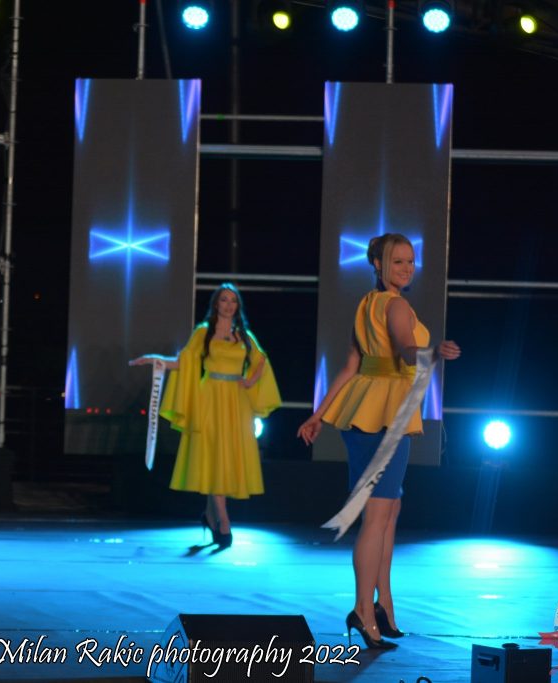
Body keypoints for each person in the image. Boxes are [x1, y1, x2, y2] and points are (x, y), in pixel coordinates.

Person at [297, 234, 460, 649]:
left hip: (365, 412)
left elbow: (350, 367)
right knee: (376, 516)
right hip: (385, 415)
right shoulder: (396, 305)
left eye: (410, 261)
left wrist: (318, 415)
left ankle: (383, 604)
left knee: (388, 511)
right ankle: (363, 611)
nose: (406, 268)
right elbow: (406, 352)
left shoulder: (366, 304)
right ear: (377, 263)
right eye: (398, 261)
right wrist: (432, 352)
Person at [130, 283, 281, 550]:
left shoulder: (243, 335)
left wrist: (249, 380)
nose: (228, 305)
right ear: (216, 304)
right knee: (213, 455)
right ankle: (224, 522)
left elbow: (261, 360)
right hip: (210, 399)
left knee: (224, 460)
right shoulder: (203, 332)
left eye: (233, 301)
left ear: (237, 306)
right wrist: (156, 360)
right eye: (224, 300)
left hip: (236, 402)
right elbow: (184, 362)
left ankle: (210, 516)